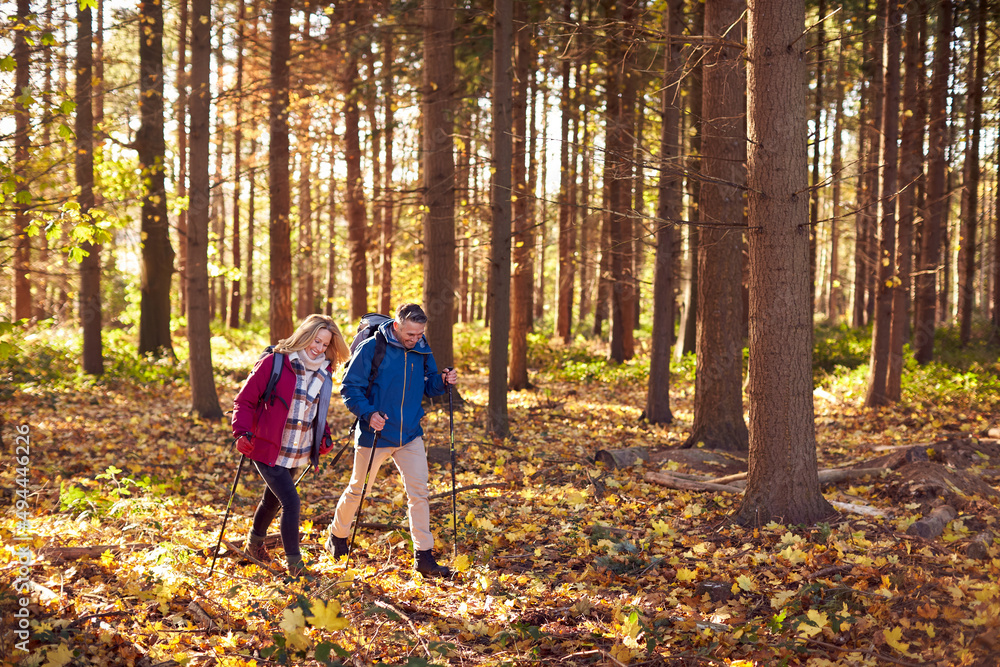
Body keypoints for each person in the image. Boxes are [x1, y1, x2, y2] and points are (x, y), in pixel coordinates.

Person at [326, 303, 458, 577]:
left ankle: (423, 556)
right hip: (376, 433)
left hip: (410, 434)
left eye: (419, 334)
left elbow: (430, 385)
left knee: (419, 493)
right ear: (397, 326)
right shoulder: (373, 348)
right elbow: (350, 388)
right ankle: (337, 535)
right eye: (410, 334)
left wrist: (444, 381)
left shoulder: (421, 347)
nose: (415, 339)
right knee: (358, 490)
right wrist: (369, 413)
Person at [231, 314, 350, 577]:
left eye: (324, 344)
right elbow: (245, 400)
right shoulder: (275, 362)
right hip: (266, 445)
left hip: (297, 449)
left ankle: (254, 545)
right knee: (291, 502)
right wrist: (241, 431)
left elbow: (315, 410)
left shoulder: (324, 370)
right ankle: (295, 566)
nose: (318, 348)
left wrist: (324, 435)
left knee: (272, 500)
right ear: (305, 335)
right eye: (315, 340)